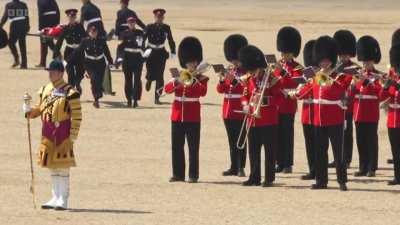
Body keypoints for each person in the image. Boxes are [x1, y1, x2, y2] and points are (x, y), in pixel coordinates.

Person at [22, 59, 82, 210]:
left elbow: (77, 116)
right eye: (49, 71)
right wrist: (28, 111)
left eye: (53, 71)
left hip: (63, 133)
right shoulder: (45, 89)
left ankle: (63, 198)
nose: (50, 74)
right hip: (47, 132)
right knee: (52, 166)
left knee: (63, 167)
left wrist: (72, 136)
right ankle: (55, 197)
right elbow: (39, 109)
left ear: (61, 73)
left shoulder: (70, 92)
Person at [294, 36, 352, 191]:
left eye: (326, 61)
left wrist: (324, 77)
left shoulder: (340, 76)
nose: (323, 64)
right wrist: (296, 91)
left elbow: (338, 91)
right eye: (321, 61)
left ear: (331, 60)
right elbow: (304, 93)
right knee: (320, 152)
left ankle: (342, 180)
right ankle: (321, 180)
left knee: (338, 152)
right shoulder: (316, 77)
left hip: (335, 119)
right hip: (319, 119)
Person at [164, 37, 208, 183]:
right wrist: (178, 81)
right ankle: (178, 174)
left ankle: (193, 175)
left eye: (194, 62)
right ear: (185, 62)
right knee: (177, 147)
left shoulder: (202, 78)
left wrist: (193, 80)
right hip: (177, 116)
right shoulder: (179, 75)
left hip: (192, 117)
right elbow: (167, 89)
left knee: (193, 148)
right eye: (189, 62)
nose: (192, 64)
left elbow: (202, 92)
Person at [239, 45, 283, 187]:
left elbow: (280, 98)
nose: (252, 73)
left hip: (268, 120)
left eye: (254, 70)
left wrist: (264, 101)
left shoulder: (272, 79)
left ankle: (269, 178)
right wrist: (245, 104)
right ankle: (254, 176)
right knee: (253, 151)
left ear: (260, 67)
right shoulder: (249, 79)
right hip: (253, 120)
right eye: (250, 70)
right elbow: (245, 95)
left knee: (269, 151)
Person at [350, 36, 384, 177]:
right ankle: (363, 166)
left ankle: (372, 167)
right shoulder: (357, 75)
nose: (365, 65)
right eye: (363, 62)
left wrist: (366, 82)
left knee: (371, 140)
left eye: (368, 62)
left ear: (373, 61)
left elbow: (380, 94)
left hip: (371, 113)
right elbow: (352, 94)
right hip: (358, 112)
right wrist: (353, 85)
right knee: (361, 141)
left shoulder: (378, 76)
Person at [217, 34, 248, 177]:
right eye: (233, 59)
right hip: (227, 110)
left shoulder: (247, 72)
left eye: (236, 59)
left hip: (240, 109)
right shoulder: (230, 70)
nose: (234, 61)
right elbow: (220, 90)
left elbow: (246, 89)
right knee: (231, 140)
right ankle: (234, 166)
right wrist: (222, 80)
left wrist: (233, 80)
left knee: (241, 139)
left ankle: (241, 166)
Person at [328, 30, 360, 168]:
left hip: (348, 105)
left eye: (345, 55)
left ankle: (346, 159)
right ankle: (337, 158)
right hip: (335, 105)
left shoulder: (355, 68)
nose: (343, 57)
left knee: (347, 133)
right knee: (335, 135)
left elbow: (357, 87)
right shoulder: (334, 68)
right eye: (341, 54)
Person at [274, 26, 303, 173]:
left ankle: (288, 163)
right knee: (277, 134)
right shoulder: (277, 65)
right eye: (283, 52)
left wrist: (283, 73)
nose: (284, 55)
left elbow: (295, 82)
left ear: (293, 53)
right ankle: (279, 162)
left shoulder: (297, 67)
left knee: (287, 134)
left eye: (287, 52)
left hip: (289, 104)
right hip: (277, 103)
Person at [69, 25, 113, 108]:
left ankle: (99, 92)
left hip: (100, 63)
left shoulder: (101, 41)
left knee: (99, 80)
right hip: (90, 64)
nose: (93, 33)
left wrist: (110, 61)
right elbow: (78, 51)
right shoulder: (85, 41)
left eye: (95, 32)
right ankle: (96, 99)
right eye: (92, 32)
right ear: (89, 33)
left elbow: (106, 51)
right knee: (93, 79)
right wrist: (68, 60)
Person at [145, 9, 176, 104]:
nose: (159, 19)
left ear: (163, 18)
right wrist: (142, 51)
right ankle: (149, 79)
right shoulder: (149, 27)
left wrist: (173, 52)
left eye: (161, 17)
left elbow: (171, 40)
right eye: (158, 17)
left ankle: (157, 97)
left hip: (161, 53)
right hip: (150, 52)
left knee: (160, 76)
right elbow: (143, 39)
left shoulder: (166, 28)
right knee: (150, 71)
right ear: (155, 17)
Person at [53, 9, 87, 93]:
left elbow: (86, 39)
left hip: (79, 52)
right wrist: (55, 54)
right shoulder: (65, 29)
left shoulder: (80, 27)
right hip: (69, 52)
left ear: (75, 17)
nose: (72, 18)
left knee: (80, 72)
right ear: (68, 17)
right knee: (70, 72)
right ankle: (71, 91)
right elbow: (59, 42)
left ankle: (77, 83)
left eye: (74, 17)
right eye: (70, 17)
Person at [381, 44, 400, 185]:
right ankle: (397, 176)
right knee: (395, 150)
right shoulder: (392, 76)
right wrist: (386, 86)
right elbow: (382, 97)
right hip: (392, 118)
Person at [298, 39, 317, 180]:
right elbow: (300, 92)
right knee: (309, 145)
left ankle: (319, 171)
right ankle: (312, 170)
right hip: (306, 114)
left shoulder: (323, 76)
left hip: (318, 114)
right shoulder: (305, 74)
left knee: (319, 146)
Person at [119, 17, 146, 108]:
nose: (131, 24)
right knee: (128, 80)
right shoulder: (124, 34)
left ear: (135, 23)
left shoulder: (140, 33)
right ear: (127, 23)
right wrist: (119, 58)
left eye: (133, 22)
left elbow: (142, 46)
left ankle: (135, 100)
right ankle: (129, 100)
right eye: (130, 22)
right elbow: (120, 47)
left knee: (137, 80)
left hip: (138, 59)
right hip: (127, 59)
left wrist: (145, 55)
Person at [114, 0, 146, 66]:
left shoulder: (119, 12)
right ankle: (120, 61)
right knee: (129, 46)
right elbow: (138, 21)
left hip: (122, 32)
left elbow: (118, 23)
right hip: (130, 31)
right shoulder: (132, 12)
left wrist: (116, 33)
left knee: (120, 46)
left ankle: (118, 61)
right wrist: (145, 28)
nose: (121, 5)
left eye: (121, 4)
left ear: (123, 4)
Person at [0, 0, 30, 69]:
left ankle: (16, 59)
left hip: (15, 25)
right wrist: (27, 26)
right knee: (22, 44)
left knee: (11, 43)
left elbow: (5, 17)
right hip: (23, 24)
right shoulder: (23, 4)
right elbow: (26, 16)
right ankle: (24, 64)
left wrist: (0, 25)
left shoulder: (9, 5)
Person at [36, 0, 60, 68]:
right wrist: (57, 25)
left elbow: (40, 14)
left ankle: (43, 62)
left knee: (44, 42)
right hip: (53, 23)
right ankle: (57, 55)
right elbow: (58, 12)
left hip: (45, 23)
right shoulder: (53, 1)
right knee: (49, 41)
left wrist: (40, 29)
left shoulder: (40, 1)